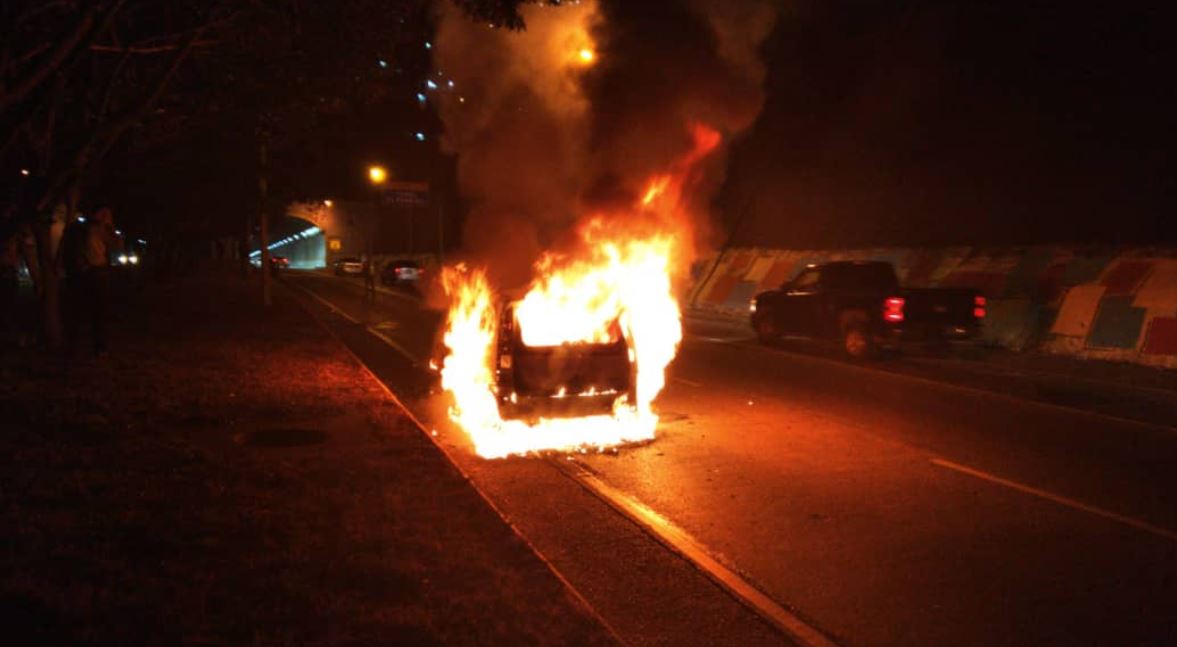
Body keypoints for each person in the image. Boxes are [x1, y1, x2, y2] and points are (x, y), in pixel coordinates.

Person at [62, 207, 117, 356]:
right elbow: (78, 249)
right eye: (102, 213)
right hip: (88, 272)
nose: (104, 216)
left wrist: (110, 229)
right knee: (79, 310)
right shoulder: (83, 230)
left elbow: (115, 246)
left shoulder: (104, 231)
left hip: (99, 271)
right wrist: (83, 265)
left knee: (99, 311)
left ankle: (99, 347)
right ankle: (73, 345)